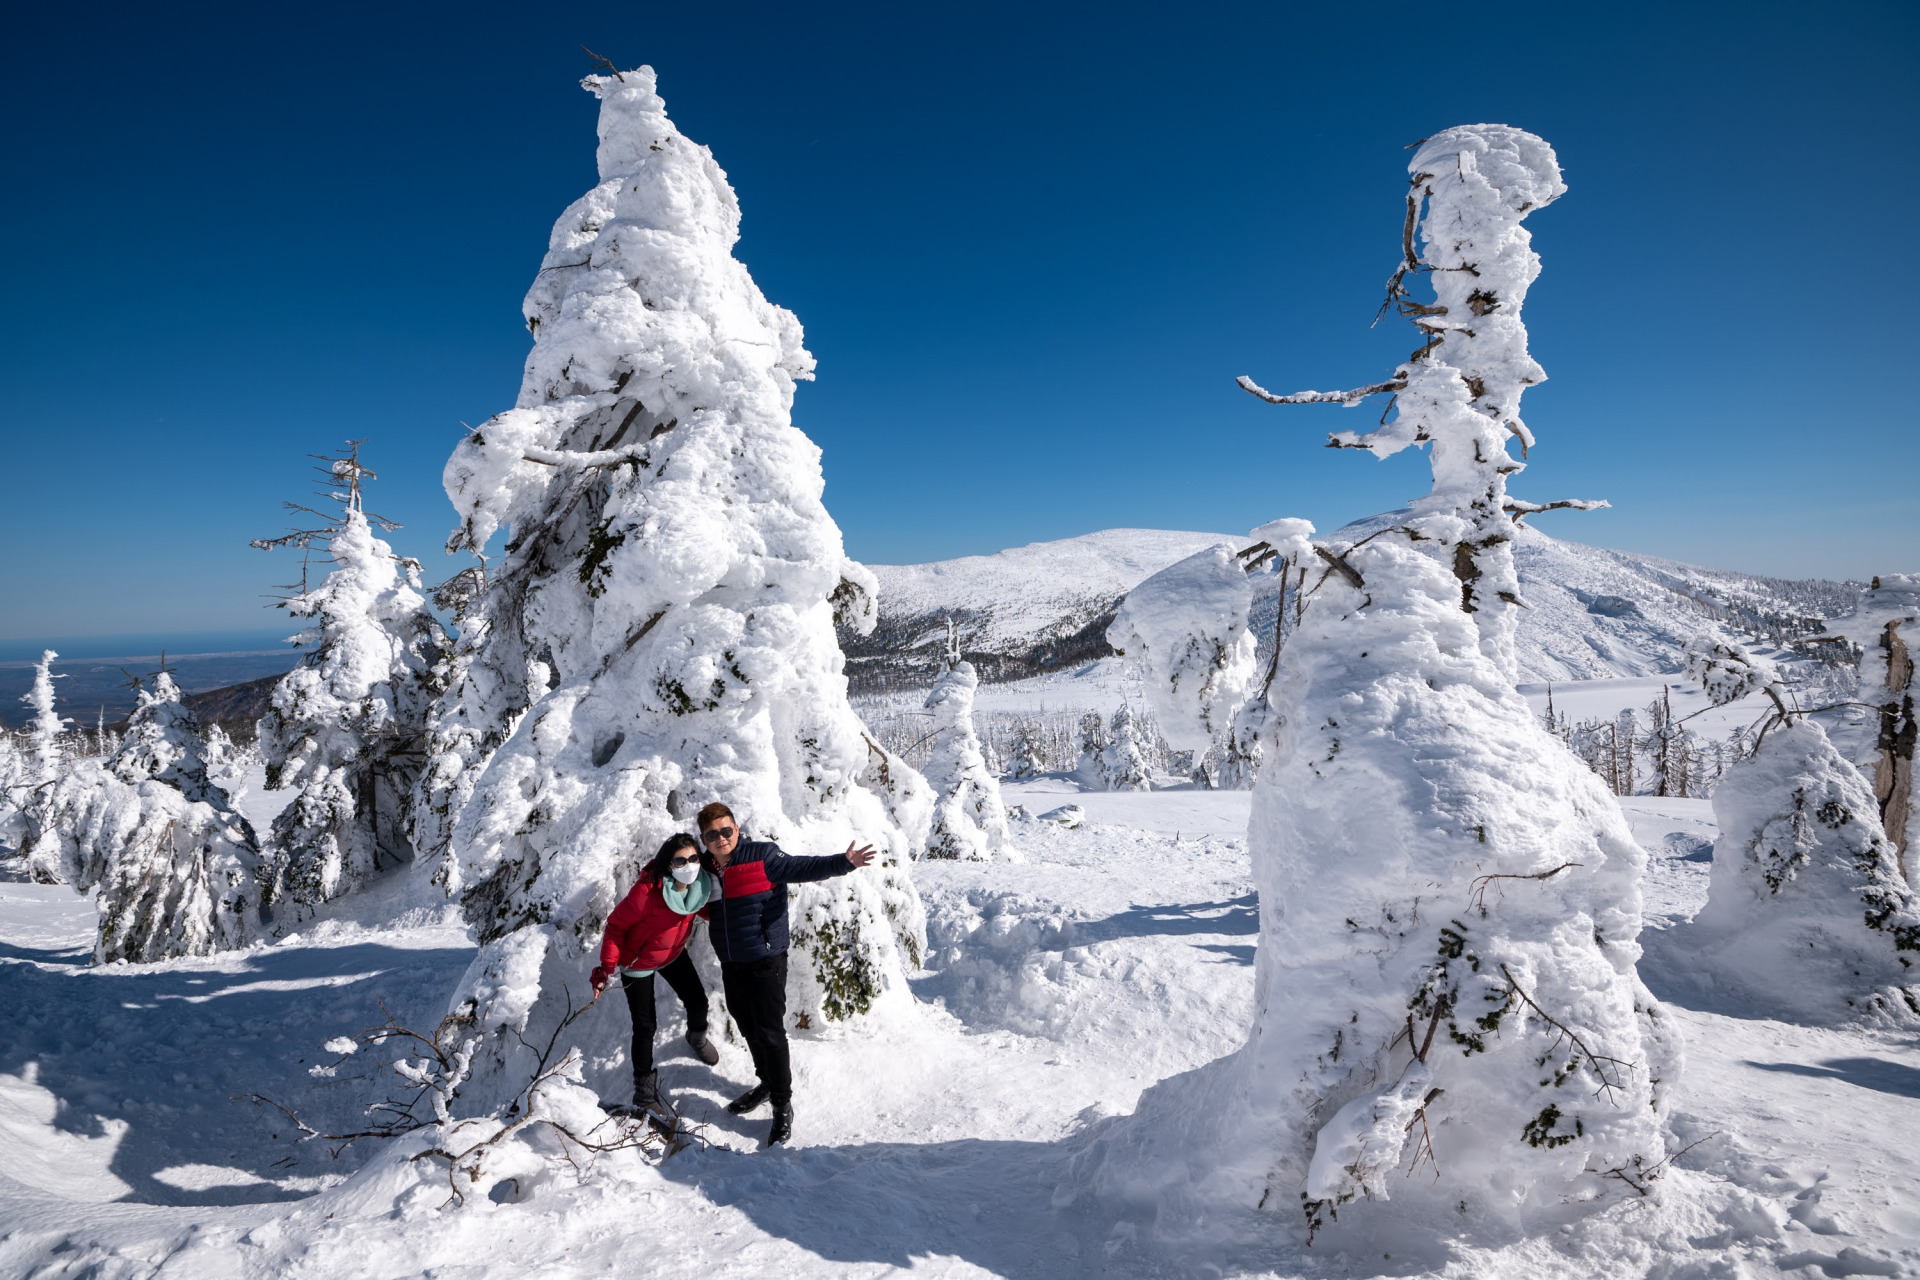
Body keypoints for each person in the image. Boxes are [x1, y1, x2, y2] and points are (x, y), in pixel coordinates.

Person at [698, 801, 876, 1147]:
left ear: (737, 829)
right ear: (704, 840)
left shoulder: (762, 856)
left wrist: (844, 862)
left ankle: (782, 1105)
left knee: (770, 1032)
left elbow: (802, 867)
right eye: (712, 834)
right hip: (731, 961)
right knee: (746, 1024)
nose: (721, 838)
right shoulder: (706, 868)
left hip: (766, 959)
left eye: (726, 830)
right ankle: (766, 1083)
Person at [590, 833, 722, 1117]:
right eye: (680, 860)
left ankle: (696, 1039)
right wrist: (606, 969)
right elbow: (614, 927)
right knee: (646, 1026)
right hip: (637, 962)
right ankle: (644, 1093)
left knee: (698, 1002)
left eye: (693, 858)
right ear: (668, 865)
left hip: (672, 954)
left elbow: (710, 912)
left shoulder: (700, 885)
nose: (688, 864)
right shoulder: (647, 892)